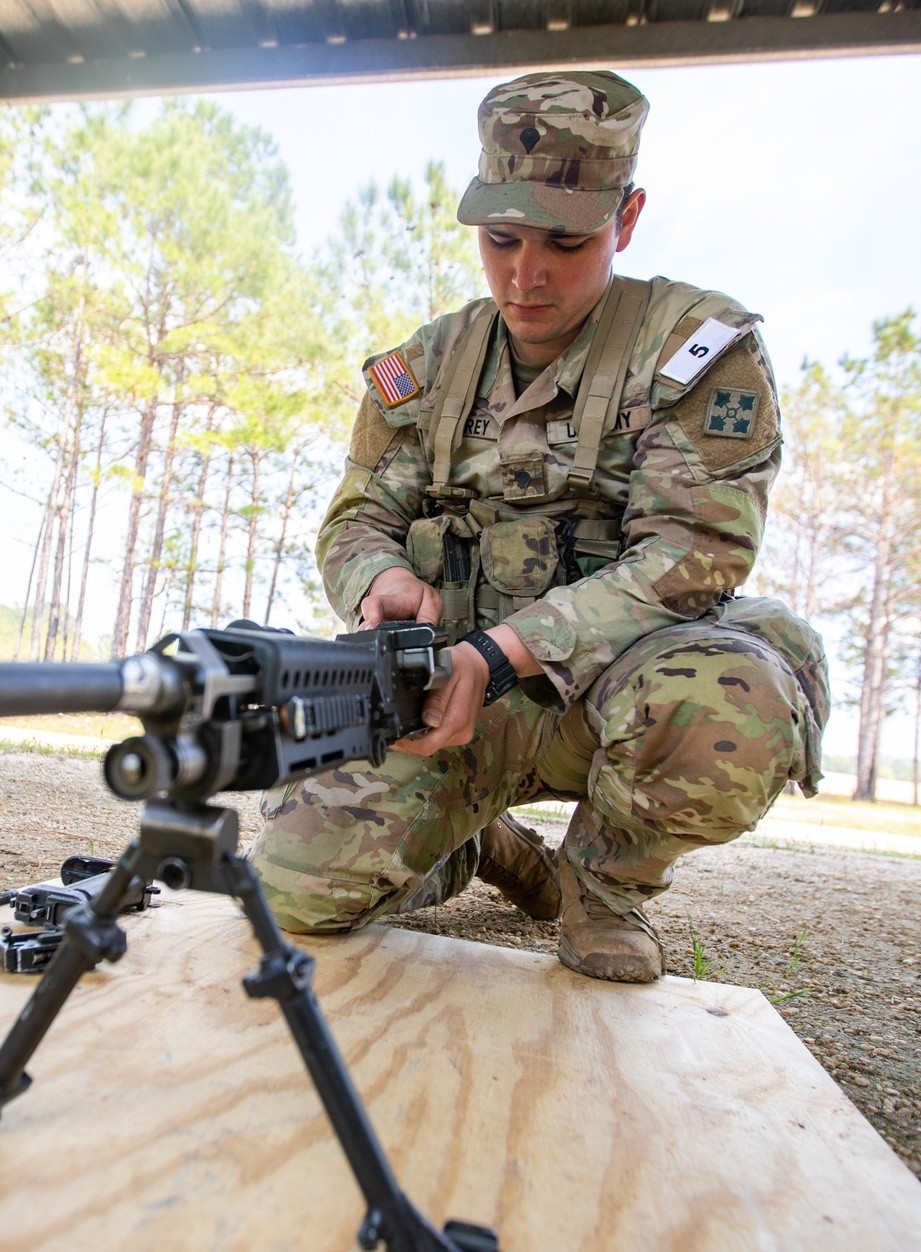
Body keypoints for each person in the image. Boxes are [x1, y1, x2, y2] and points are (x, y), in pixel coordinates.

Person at [249, 70, 829, 983]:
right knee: (288, 893)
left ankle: (601, 885)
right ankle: (481, 844)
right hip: (448, 703)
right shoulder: (429, 366)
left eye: (566, 240)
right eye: (501, 238)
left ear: (626, 218)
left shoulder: (696, 351)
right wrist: (378, 583)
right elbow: (359, 516)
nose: (527, 272)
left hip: (615, 697)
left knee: (733, 703)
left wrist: (501, 652)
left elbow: (691, 557)